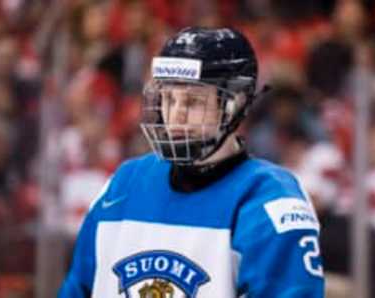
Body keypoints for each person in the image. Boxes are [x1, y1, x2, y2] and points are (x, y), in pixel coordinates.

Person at [59, 27, 324, 298]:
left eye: (194, 102)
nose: (176, 116)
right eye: (169, 99)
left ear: (235, 103)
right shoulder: (123, 185)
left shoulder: (269, 200)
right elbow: (77, 289)